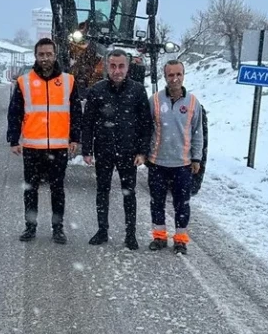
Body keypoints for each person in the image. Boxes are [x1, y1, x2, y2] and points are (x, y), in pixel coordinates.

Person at [7, 38, 83, 244]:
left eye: (49, 54)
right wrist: (13, 139)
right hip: (32, 147)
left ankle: (58, 228)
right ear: (36, 56)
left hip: (58, 147)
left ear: (55, 55)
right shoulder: (24, 82)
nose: (45, 58)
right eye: (41, 54)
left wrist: (75, 137)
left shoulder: (68, 81)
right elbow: (14, 113)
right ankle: (30, 227)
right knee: (31, 189)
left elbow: (76, 112)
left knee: (57, 190)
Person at [81, 49, 153, 250]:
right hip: (103, 149)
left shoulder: (138, 91)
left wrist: (142, 151)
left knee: (129, 193)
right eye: (113, 66)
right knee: (102, 191)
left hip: (128, 152)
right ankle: (102, 230)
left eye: (121, 66)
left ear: (128, 67)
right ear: (107, 67)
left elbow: (145, 124)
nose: (117, 70)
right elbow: (88, 123)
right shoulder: (97, 90)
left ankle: (131, 234)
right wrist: (87, 150)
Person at [146, 59, 204, 254]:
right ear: (165, 77)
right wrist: (144, 153)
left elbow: (198, 133)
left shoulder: (193, 103)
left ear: (183, 75)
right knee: (157, 202)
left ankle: (180, 240)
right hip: (157, 162)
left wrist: (196, 159)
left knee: (182, 204)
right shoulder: (154, 100)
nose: (175, 78)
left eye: (178, 74)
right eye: (171, 75)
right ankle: (159, 237)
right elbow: (146, 129)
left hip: (183, 164)